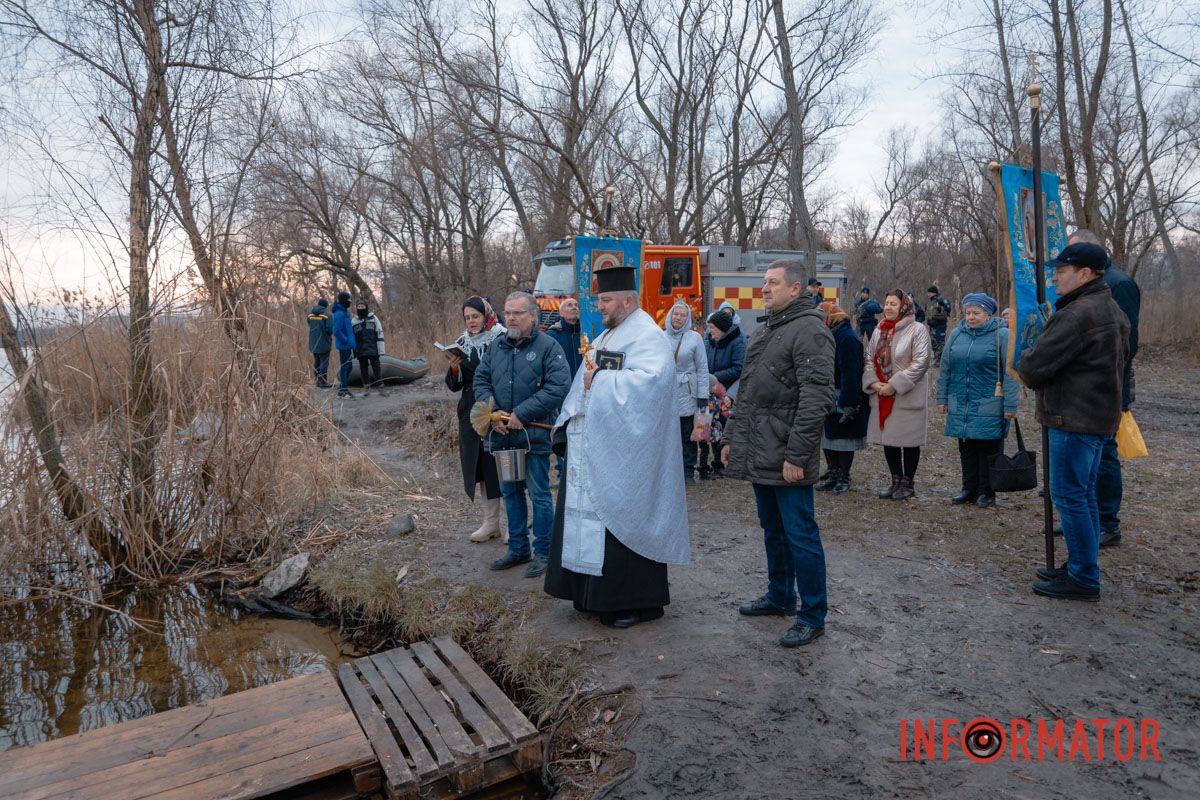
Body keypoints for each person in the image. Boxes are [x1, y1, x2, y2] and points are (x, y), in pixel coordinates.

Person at [545, 263, 691, 628]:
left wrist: (603, 382)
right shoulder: (605, 338)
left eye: (606, 301)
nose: (601, 307)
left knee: (626, 521)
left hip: (631, 455)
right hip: (600, 446)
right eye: (599, 301)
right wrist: (566, 423)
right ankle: (592, 595)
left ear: (628, 300)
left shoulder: (647, 336)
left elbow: (652, 387)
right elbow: (583, 383)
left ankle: (636, 602)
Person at [720, 260, 835, 648]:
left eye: (772, 283)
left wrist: (797, 456)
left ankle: (812, 614)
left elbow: (817, 398)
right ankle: (780, 596)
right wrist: (732, 438)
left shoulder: (810, 330)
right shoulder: (768, 328)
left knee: (800, 534)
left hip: (787, 455)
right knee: (773, 531)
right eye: (763, 282)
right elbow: (748, 393)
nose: (764, 289)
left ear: (795, 288)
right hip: (760, 449)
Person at [1018, 242, 1129, 601]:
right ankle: (1083, 566)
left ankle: (1083, 576)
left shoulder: (1079, 314)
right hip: (1096, 417)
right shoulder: (1110, 308)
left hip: (1073, 418)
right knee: (1083, 496)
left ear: (1084, 274)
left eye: (1061, 271)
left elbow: (1033, 366)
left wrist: (1026, 356)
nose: (1054, 277)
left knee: (1070, 496)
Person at [474, 292, 571, 578]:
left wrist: (521, 414)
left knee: (539, 494)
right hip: (502, 436)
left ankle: (544, 552)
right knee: (510, 492)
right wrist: (492, 412)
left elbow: (557, 387)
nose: (511, 318)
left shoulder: (549, 347)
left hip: (535, 437)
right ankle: (518, 549)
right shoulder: (496, 347)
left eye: (517, 313)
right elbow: (481, 379)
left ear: (532, 316)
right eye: (508, 312)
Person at [1066, 229, 1140, 547]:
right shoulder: (1081, 286)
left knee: (1104, 453)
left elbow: (1126, 343)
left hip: (1108, 384)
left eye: (1073, 253)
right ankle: (1084, 517)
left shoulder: (1118, 284)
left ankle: (1107, 522)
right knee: (1081, 453)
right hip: (1080, 386)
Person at [936, 293, 1019, 507]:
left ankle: (986, 491)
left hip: (989, 402)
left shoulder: (1001, 335)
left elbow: (1010, 373)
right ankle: (968, 488)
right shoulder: (956, 334)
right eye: (968, 313)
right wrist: (942, 397)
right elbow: (945, 368)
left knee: (988, 448)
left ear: (988, 314)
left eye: (976, 313)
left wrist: (1010, 404)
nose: (971, 317)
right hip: (961, 402)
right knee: (966, 446)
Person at [446, 296, 508, 543]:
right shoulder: (462, 343)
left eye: (475, 316)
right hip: (471, 412)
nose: (471, 321)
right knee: (481, 467)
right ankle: (491, 522)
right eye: (467, 317)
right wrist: (453, 367)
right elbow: (454, 385)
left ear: (486, 316)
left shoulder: (501, 338)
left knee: (503, 465)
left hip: (496, 407)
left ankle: (512, 523)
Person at [864, 289, 932, 500]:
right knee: (889, 439)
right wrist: (874, 382)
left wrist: (894, 384)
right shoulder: (879, 330)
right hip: (882, 393)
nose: (888, 308)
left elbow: (921, 362)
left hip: (907, 393)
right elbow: (869, 357)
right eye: (886, 304)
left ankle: (908, 483)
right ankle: (895, 481)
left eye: (893, 304)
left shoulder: (917, 329)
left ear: (904, 307)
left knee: (908, 441)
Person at [813, 302, 869, 494]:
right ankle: (832, 471)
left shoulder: (847, 338)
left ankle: (843, 476)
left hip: (844, 392)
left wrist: (848, 403)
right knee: (828, 436)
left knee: (843, 438)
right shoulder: (830, 335)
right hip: (829, 391)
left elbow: (850, 372)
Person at [662, 299, 709, 484]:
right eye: (676, 314)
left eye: (683, 315)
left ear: (687, 318)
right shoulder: (661, 336)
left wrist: (703, 395)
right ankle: (670, 471)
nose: (679, 318)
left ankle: (688, 470)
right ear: (670, 315)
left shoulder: (694, 338)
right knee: (668, 435)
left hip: (687, 391)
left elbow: (702, 368)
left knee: (687, 433)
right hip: (666, 391)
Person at [701, 308, 746, 478]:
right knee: (704, 428)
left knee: (723, 429)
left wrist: (713, 377)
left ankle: (722, 464)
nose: (709, 331)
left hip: (727, 393)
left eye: (712, 327)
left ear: (722, 328)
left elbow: (739, 368)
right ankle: (704, 465)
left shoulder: (738, 342)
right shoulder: (711, 341)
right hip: (710, 392)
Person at [545, 297, 584, 378]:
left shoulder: (587, 333)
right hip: (562, 383)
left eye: (576, 305)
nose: (574, 307)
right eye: (569, 305)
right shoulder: (551, 336)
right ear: (561, 313)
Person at [352, 300, 384, 396]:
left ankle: (380, 384)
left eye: (362, 306)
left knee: (376, 366)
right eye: (359, 307)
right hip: (361, 349)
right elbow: (352, 337)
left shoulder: (373, 318)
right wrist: (353, 351)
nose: (361, 308)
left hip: (373, 347)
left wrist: (381, 349)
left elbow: (379, 332)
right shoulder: (353, 321)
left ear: (366, 307)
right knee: (363, 368)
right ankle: (366, 386)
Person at [331, 291, 356, 399]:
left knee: (348, 367)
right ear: (343, 301)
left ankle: (342, 388)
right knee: (345, 367)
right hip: (343, 345)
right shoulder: (339, 314)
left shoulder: (345, 312)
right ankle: (343, 391)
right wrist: (345, 340)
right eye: (348, 300)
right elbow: (336, 331)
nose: (350, 302)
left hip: (348, 345)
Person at [307, 298, 333, 388]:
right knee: (324, 362)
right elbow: (330, 329)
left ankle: (317, 382)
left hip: (313, 343)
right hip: (324, 342)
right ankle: (323, 382)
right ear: (326, 305)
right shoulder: (328, 315)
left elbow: (309, 324)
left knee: (316, 361)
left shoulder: (310, 315)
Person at [925, 285, 951, 360]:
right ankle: (937, 359)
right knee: (934, 343)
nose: (928, 294)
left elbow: (948, 310)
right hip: (933, 326)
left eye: (929, 293)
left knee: (940, 343)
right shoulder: (932, 301)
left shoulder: (941, 300)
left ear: (933, 293)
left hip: (940, 326)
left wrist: (940, 308)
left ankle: (941, 360)